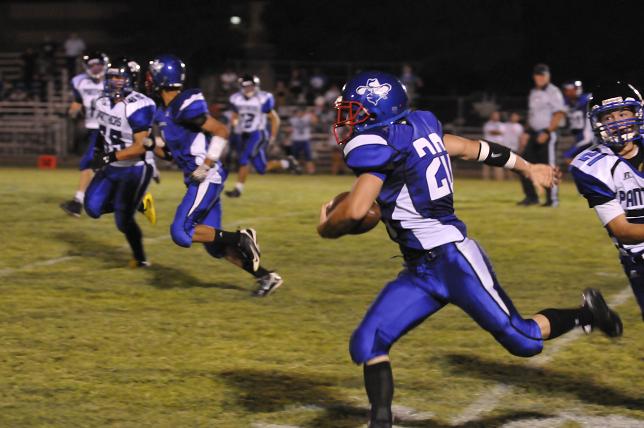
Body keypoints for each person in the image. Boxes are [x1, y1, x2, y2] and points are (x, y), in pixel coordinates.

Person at [317, 71, 623, 428]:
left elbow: (356, 210)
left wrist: (327, 226)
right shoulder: (419, 125)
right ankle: (380, 423)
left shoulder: (380, 145)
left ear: (378, 111)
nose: (348, 118)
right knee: (368, 342)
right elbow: (472, 148)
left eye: (355, 111)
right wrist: (526, 167)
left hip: (453, 259)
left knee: (523, 340)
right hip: (420, 269)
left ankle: (587, 313)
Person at [147, 55, 283, 296]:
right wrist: (149, 144)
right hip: (197, 176)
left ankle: (241, 238)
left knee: (181, 232)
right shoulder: (164, 112)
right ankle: (266, 276)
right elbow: (170, 154)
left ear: (161, 77)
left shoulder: (184, 103)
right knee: (213, 246)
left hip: (207, 175)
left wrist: (207, 164)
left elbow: (221, 130)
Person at [570, 81, 644, 321]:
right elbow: (621, 230)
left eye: (623, 113)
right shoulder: (593, 166)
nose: (618, 122)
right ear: (598, 123)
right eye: (609, 117)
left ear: (636, 114)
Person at [84, 57, 157, 268]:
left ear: (131, 79)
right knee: (92, 208)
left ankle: (141, 259)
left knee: (123, 221)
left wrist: (108, 157)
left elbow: (141, 146)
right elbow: (102, 129)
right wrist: (99, 149)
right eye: (112, 76)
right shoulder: (102, 101)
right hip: (113, 165)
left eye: (120, 77)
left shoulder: (140, 105)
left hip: (136, 167)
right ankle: (140, 203)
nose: (115, 81)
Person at [224, 74, 299, 198]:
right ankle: (287, 163)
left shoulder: (263, 98)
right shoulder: (236, 98)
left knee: (244, 159)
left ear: (256, 86)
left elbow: (274, 119)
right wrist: (235, 124)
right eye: (245, 86)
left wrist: (273, 136)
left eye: (251, 86)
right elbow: (235, 116)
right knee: (261, 168)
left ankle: (237, 189)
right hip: (244, 135)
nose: (248, 89)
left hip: (258, 134)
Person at [60, 52, 111, 217]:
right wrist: (72, 111)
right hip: (92, 128)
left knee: (88, 163)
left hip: (107, 127)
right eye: (92, 66)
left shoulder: (113, 80)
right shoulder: (79, 81)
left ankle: (78, 202)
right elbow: (77, 102)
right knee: (100, 166)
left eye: (99, 66)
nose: (96, 69)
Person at [519, 64, 566, 207]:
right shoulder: (534, 92)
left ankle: (552, 200)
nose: (540, 78)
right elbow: (532, 115)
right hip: (533, 133)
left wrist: (547, 132)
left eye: (543, 75)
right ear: (534, 76)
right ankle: (531, 197)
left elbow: (559, 113)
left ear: (548, 76)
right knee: (523, 165)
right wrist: (526, 132)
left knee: (548, 166)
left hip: (548, 133)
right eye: (538, 75)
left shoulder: (553, 91)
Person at [562, 80, 595, 163]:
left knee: (569, 156)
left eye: (571, 90)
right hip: (577, 135)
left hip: (588, 135)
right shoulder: (566, 103)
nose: (568, 93)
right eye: (567, 90)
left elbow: (587, 138)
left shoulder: (585, 99)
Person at [288, 106, 319, 174]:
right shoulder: (293, 119)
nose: (300, 113)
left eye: (302, 112)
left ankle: (311, 172)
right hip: (296, 139)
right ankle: (295, 170)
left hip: (305, 139)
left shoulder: (308, 117)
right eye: (299, 112)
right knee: (295, 157)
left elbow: (315, 122)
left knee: (308, 157)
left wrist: (312, 114)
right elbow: (289, 128)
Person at [481, 111, 506, 180]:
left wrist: (496, 132)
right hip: (488, 145)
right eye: (494, 115)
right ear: (491, 116)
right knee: (486, 163)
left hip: (498, 144)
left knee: (498, 163)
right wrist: (498, 132)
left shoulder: (502, 125)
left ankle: (499, 179)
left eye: (497, 115)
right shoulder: (487, 124)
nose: (496, 117)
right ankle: (486, 178)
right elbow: (492, 132)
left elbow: (502, 133)